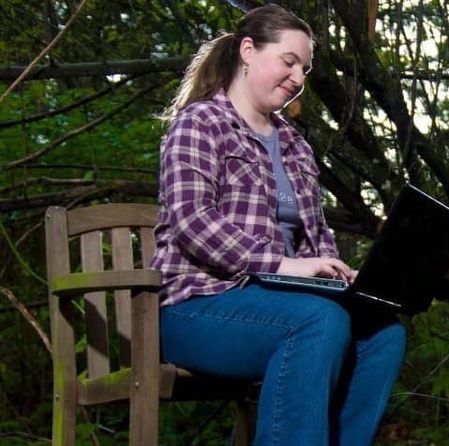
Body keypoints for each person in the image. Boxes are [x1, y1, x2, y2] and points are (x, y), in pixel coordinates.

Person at [151, 4, 405, 445]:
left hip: (281, 305)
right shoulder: (199, 124)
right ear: (247, 51)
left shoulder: (295, 145)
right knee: (318, 321)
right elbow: (192, 221)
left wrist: (341, 276)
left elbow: (314, 238)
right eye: (289, 61)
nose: (298, 78)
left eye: (304, 69)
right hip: (195, 307)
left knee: (383, 333)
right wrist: (282, 266)